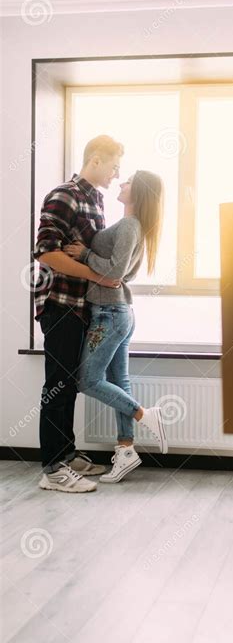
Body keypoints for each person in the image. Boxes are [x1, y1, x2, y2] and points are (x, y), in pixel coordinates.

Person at [64, 170, 168, 485]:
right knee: (118, 382)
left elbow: (116, 271)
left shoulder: (129, 225)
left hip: (109, 313)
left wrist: (84, 254)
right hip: (117, 310)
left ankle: (143, 414)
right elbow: (122, 275)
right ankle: (126, 450)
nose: (121, 183)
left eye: (128, 180)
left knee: (86, 381)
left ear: (138, 191)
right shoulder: (135, 226)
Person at [34, 135, 124, 493]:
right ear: (97, 160)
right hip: (59, 304)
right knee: (57, 384)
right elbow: (45, 253)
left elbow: (85, 251)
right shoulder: (65, 195)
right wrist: (96, 275)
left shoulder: (96, 199)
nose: (117, 174)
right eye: (115, 165)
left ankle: (67, 454)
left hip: (81, 306)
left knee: (69, 383)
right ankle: (52, 470)